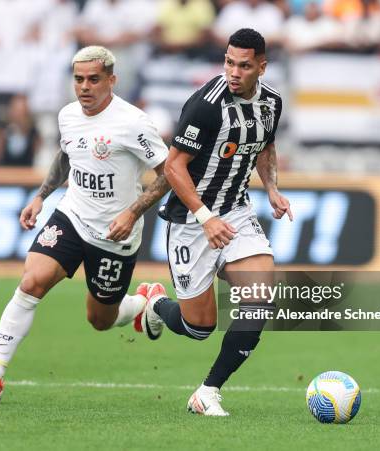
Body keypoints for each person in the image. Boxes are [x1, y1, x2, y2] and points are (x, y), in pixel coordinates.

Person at [0, 45, 170, 402]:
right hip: (72, 214)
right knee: (31, 282)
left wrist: (133, 212)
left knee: (100, 320)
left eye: (93, 79)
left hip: (114, 234)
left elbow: (170, 174)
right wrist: (41, 195)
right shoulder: (68, 116)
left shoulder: (134, 123)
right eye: (78, 79)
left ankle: (142, 303)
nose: (84, 87)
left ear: (112, 80)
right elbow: (66, 154)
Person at [135, 28, 292, 416]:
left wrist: (271, 188)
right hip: (191, 220)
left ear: (261, 66)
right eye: (228, 62)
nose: (233, 72)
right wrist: (205, 218)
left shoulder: (272, 102)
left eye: (243, 65)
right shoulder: (205, 105)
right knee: (198, 328)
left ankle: (207, 392)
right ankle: (154, 303)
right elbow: (173, 166)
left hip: (236, 211)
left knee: (258, 299)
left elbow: (265, 146)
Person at [0, 94, 41, 166]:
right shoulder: (1, 128)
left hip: (27, 171)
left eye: (22, 112)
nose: (19, 115)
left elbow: (38, 155)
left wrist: (23, 130)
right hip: (4, 171)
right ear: (11, 110)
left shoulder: (33, 131)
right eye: (17, 111)